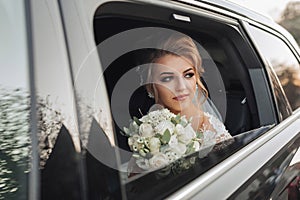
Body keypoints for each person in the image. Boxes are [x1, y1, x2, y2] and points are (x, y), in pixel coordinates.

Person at [138, 32, 232, 144]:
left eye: (188, 75)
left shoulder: (213, 131)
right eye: (167, 79)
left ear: (196, 78)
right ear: (151, 86)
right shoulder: (146, 131)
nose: (181, 87)